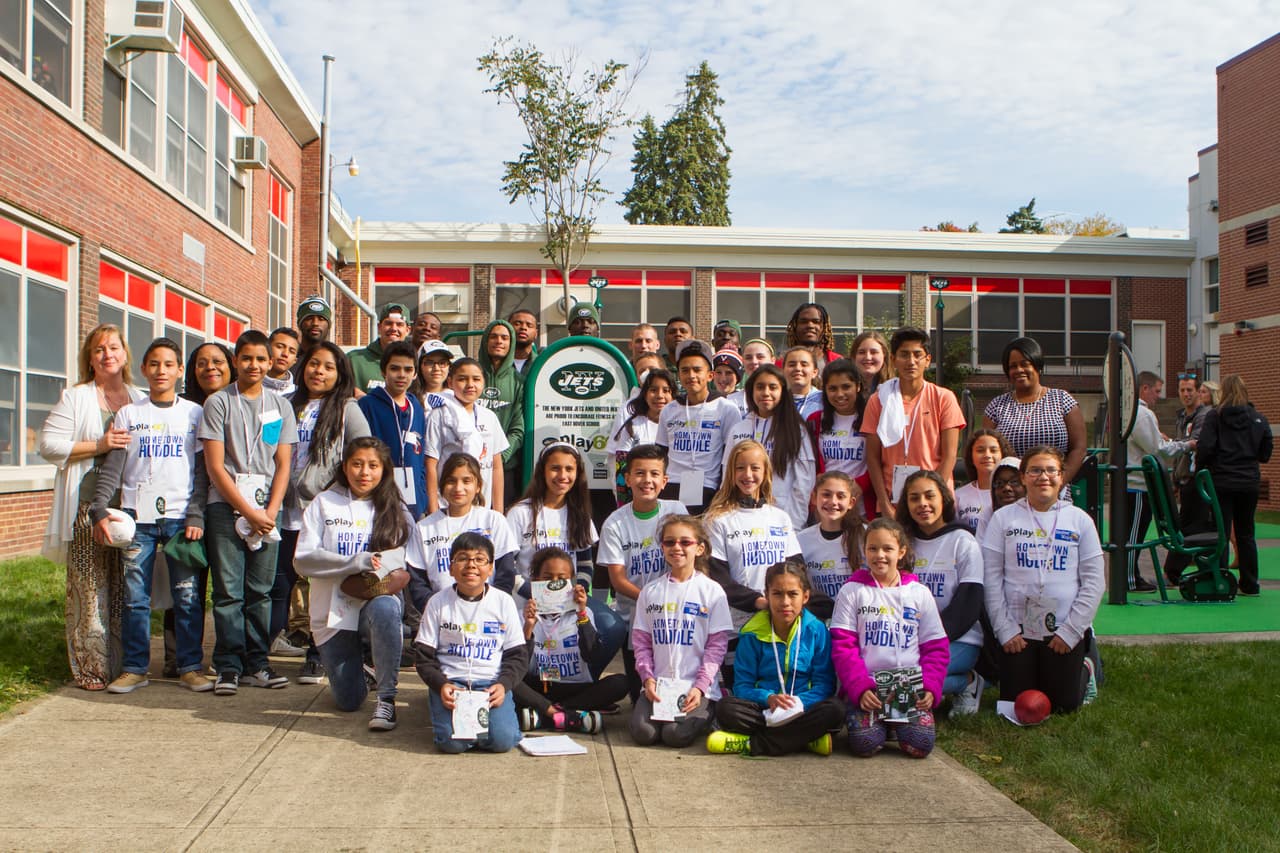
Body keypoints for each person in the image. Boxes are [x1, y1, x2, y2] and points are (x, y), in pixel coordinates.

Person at [88, 338, 207, 694]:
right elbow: (114, 465)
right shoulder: (130, 414)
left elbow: (202, 472)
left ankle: (190, 666)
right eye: (153, 364)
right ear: (143, 369)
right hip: (136, 519)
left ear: (180, 371)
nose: (160, 371)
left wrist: (196, 514)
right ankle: (135, 667)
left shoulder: (193, 414)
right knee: (134, 597)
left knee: (187, 596)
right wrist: (99, 509)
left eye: (168, 364)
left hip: (180, 518)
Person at [294, 437, 428, 731]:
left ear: (384, 470)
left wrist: (401, 574)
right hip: (332, 613)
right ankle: (365, 669)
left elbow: (412, 562)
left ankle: (387, 698)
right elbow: (302, 561)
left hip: (375, 604)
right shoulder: (324, 503)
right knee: (348, 700)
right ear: (345, 467)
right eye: (357, 464)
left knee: (385, 609)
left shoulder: (397, 510)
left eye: (372, 465)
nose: (364, 472)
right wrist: (355, 562)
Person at [39, 324, 146, 690]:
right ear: (90, 357)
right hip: (87, 506)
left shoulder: (137, 398)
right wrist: (98, 444)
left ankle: (122, 664)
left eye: (113, 347)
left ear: (125, 354)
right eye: (98, 349)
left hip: (129, 508)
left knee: (124, 589)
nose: (106, 354)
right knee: (90, 587)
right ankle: (91, 668)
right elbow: (48, 445)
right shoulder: (77, 397)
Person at [199, 330, 298, 695]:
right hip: (226, 508)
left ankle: (258, 663)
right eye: (246, 358)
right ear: (235, 361)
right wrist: (247, 511)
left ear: (270, 363)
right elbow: (214, 466)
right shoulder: (219, 403)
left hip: (269, 510)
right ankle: (228, 665)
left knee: (261, 590)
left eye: (261, 359)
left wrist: (269, 511)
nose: (253, 365)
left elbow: (283, 463)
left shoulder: (280, 406)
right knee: (228, 592)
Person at [982, 446, 1103, 714]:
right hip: (1018, 631)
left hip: (1062, 629)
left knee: (1063, 706)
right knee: (1016, 706)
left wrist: (1071, 631)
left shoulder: (1079, 520)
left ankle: (1085, 667)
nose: (1043, 477)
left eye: (1051, 470)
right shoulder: (1003, 519)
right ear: (1023, 477)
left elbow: (1094, 583)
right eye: (1035, 470)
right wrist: (1005, 629)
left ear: (1061, 477)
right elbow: (991, 578)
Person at [281, 341, 371, 683]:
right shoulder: (287, 404)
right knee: (287, 582)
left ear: (340, 374)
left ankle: (319, 656)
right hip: (286, 509)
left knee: (323, 586)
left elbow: (364, 455)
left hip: (327, 510)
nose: (319, 371)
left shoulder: (348, 409)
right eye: (314, 364)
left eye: (328, 367)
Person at [831, 518, 948, 758]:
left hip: (909, 689)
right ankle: (882, 725)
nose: (879, 555)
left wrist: (930, 687)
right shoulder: (852, 591)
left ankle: (895, 726)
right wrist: (860, 688)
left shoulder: (919, 593)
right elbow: (844, 648)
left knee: (920, 745)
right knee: (866, 744)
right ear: (864, 551)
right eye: (872, 548)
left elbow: (936, 648)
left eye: (888, 549)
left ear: (902, 552)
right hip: (870, 690)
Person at [506, 443, 625, 676]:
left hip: (567, 599)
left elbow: (584, 562)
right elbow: (505, 567)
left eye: (569, 469)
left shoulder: (578, 512)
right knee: (531, 661)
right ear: (542, 472)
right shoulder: (520, 512)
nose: (563, 476)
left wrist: (579, 590)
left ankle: (583, 681)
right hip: (528, 601)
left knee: (614, 627)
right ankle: (535, 690)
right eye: (555, 468)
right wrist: (534, 592)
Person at [708, 561, 844, 755]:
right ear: (767, 595)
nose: (785, 602)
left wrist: (797, 703)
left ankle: (751, 743)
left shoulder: (817, 630)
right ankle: (804, 739)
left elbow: (824, 684)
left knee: (835, 709)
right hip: (765, 708)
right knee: (725, 708)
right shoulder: (751, 633)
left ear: (805, 596)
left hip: (802, 708)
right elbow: (742, 686)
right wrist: (768, 698)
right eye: (777, 594)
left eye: (793, 594)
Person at [414, 532, 528, 753]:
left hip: (490, 684)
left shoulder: (503, 602)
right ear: (451, 567)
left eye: (479, 559)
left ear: (491, 567)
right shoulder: (437, 603)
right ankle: (442, 711)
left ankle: (498, 724)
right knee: (452, 744)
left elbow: (517, 654)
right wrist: (441, 684)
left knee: (502, 742)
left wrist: (503, 685)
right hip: (453, 685)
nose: (471, 565)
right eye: (463, 558)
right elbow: (423, 656)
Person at [161, 342, 235, 678]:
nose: (210, 368)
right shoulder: (185, 410)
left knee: (226, 587)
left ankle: (227, 655)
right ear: (191, 370)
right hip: (183, 506)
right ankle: (176, 656)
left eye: (218, 361)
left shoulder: (239, 404)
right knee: (185, 586)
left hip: (227, 506)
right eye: (202, 363)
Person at [629, 514, 734, 748]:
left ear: (699, 548)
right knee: (644, 734)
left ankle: (711, 710)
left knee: (674, 736)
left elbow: (716, 648)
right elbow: (642, 644)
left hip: (696, 687)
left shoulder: (712, 591)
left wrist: (700, 686)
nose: (677, 547)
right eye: (669, 542)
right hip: (659, 686)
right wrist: (648, 679)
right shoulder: (650, 591)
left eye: (685, 542)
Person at [597, 444, 687, 700]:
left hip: (677, 615)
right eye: (639, 473)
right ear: (627, 478)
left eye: (654, 474)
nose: (647, 480)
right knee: (642, 699)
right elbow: (617, 578)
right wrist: (654, 600)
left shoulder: (676, 511)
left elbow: (691, 563)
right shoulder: (615, 522)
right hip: (635, 619)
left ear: (664, 480)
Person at [896, 470, 985, 715]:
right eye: (914, 498)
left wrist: (930, 639)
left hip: (959, 640)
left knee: (906, 684)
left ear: (943, 499)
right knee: (891, 680)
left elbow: (968, 605)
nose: (922, 504)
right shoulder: (902, 544)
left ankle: (967, 681)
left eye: (929, 496)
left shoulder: (963, 541)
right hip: (909, 639)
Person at [515, 547, 630, 732]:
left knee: (620, 683)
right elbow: (519, 666)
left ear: (571, 582)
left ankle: (548, 715)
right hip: (540, 684)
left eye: (561, 579)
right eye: (547, 578)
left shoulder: (583, 613)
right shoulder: (522, 615)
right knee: (508, 681)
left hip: (575, 686)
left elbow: (592, 655)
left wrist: (581, 614)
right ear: (535, 580)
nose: (554, 583)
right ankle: (571, 716)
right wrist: (528, 626)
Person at [861, 326, 965, 516]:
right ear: (893, 359)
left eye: (917, 355)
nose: (911, 361)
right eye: (904, 354)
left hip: (933, 501)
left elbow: (949, 456)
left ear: (928, 360)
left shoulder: (943, 398)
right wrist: (883, 502)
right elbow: (873, 458)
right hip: (892, 502)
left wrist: (935, 495)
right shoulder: (879, 400)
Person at [705, 441, 805, 636]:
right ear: (731, 473)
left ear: (766, 471)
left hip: (780, 623)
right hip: (737, 628)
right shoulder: (717, 520)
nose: (748, 475)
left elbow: (797, 570)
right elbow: (718, 579)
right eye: (740, 468)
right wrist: (758, 601)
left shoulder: (780, 517)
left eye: (755, 468)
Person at [1197, 374, 1273, 597]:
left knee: (1221, 531)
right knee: (1246, 532)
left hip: (1221, 480)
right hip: (1249, 481)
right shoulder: (1258, 419)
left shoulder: (1215, 417)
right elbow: (1266, 453)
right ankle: (1250, 583)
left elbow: (1206, 448)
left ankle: (1220, 581)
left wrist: (1202, 470)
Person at [411, 452, 518, 607]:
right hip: (441, 614)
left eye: (466, 481)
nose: (458, 488)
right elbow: (418, 583)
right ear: (441, 486)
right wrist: (437, 610)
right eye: (451, 481)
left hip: (488, 611)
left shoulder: (494, 520)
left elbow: (506, 574)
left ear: (478, 486)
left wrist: (490, 607)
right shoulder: (424, 528)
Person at [982, 337, 1086, 486]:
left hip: (1053, 490)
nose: (1019, 370)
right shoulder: (996, 406)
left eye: (1025, 364)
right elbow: (987, 450)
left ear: (1038, 366)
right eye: (1013, 366)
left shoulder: (1062, 400)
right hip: (1012, 493)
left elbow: (1079, 448)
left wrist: (1060, 482)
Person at [723, 364, 816, 529]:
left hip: (782, 520)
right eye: (760, 387)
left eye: (773, 387)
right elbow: (727, 475)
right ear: (751, 391)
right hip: (741, 518)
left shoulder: (795, 430)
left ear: (783, 391)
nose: (765, 393)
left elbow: (804, 481)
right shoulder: (739, 428)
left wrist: (793, 524)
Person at [655, 340, 742, 513]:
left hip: (708, 487)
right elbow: (660, 454)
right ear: (678, 375)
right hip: (671, 486)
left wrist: (725, 492)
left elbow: (731, 456)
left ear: (710, 375)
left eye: (697, 370)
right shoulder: (669, 410)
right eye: (685, 370)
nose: (691, 375)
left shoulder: (726, 408)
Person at [1124, 371, 1192, 592]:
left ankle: (1129, 575)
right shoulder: (1142, 414)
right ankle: (1129, 579)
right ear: (1144, 389)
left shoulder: (1127, 411)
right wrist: (1185, 445)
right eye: (1156, 391)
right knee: (1134, 534)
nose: (1158, 397)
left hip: (1131, 482)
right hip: (1136, 484)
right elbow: (1157, 449)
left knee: (1133, 532)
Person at [424, 358, 508, 514]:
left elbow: (496, 467)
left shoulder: (489, 416)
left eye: (476, 379)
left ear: (484, 382)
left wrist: (498, 511)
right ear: (450, 382)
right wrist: (434, 510)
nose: (470, 385)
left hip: (481, 507)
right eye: (462, 379)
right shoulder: (439, 415)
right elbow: (430, 464)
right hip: (447, 507)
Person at [357, 341, 428, 519]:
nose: (401, 375)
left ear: (415, 374)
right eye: (395, 368)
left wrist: (422, 492)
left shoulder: (416, 407)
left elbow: (421, 453)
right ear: (383, 371)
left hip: (413, 493)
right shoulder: (368, 404)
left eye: (408, 369)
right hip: (379, 490)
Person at [808, 358, 873, 519]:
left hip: (862, 507)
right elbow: (812, 464)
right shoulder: (815, 420)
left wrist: (860, 484)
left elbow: (881, 461)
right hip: (827, 507)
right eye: (832, 388)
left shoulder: (872, 418)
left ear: (857, 386)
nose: (840, 394)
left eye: (846, 387)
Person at [797, 471, 865, 614]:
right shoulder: (801, 540)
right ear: (814, 498)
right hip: (819, 621)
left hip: (857, 619)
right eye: (826, 495)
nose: (833, 502)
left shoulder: (866, 535)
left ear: (851, 502)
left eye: (841, 496)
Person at [606, 368, 675, 506]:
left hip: (671, 496)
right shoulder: (632, 426)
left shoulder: (680, 425)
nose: (660, 396)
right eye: (653, 390)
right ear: (645, 394)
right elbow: (621, 469)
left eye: (666, 390)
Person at [476, 319, 525, 510]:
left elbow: (518, 429)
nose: (499, 341)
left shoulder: (519, 382)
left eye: (505, 338)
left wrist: (500, 456)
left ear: (511, 344)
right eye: (493, 336)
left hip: (505, 468)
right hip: (469, 466)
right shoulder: (472, 374)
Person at [954, 430, 1012, 534]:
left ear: (1002, 455)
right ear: (971, 457)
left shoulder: (1013, 494)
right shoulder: (958, 496)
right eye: (980, 450)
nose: (987, 455)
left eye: (993, 450)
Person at [349, 302, 410, 393]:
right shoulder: (354, 360)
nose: (393, 328)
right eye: (388, 323)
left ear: (408, 330)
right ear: (379, 327)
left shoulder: (413, 363)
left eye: (399, 324)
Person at [974, 456, 1024, 544]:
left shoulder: (1038, 513)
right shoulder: (988, 514)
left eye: (1014, 482)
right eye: (999, 483)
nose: (1007, 488)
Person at [783, 303, 841, 373]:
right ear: (795, 326)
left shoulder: (839, 363)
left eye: (816, 322)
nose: (810, 325)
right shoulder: (779, 365)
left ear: (824, 327)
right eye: (803, 322)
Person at [849, 330, 891, 410]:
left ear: (884, 354)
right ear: (854, 356)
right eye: (861, 352)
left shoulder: (894, 390)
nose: (868, 357)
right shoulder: (844, 389)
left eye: (874, 352)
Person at [410, 339, 453, 413]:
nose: (436, 368)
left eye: (442, 363)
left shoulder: (457, 397)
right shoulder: (410, 398)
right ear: (419, 367)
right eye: (430, 363)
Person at [782, 346, 823, 419]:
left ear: (814, 372)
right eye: (792, 365)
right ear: (783, 371)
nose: (797, 368)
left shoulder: (824, 400)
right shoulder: (777, 400)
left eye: (804, 365)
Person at [263, 327, 299, 396]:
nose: (285, 354)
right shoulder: (249, 386)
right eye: (280, 347)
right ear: (267, 348)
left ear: (295, 360)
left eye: (291, 351)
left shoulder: (298, 395)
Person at [712, 349, 746, 415]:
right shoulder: (705, 401)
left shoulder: (746, 399)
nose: (723, 378)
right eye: (719, 372)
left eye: (729, 373)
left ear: (737, 377)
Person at [508, 308, 540, 377]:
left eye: (529, 325)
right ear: (507, 329)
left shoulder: (541, 363)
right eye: (517, 324)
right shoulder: (497, 363)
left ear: (536, 333)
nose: (523, 327)